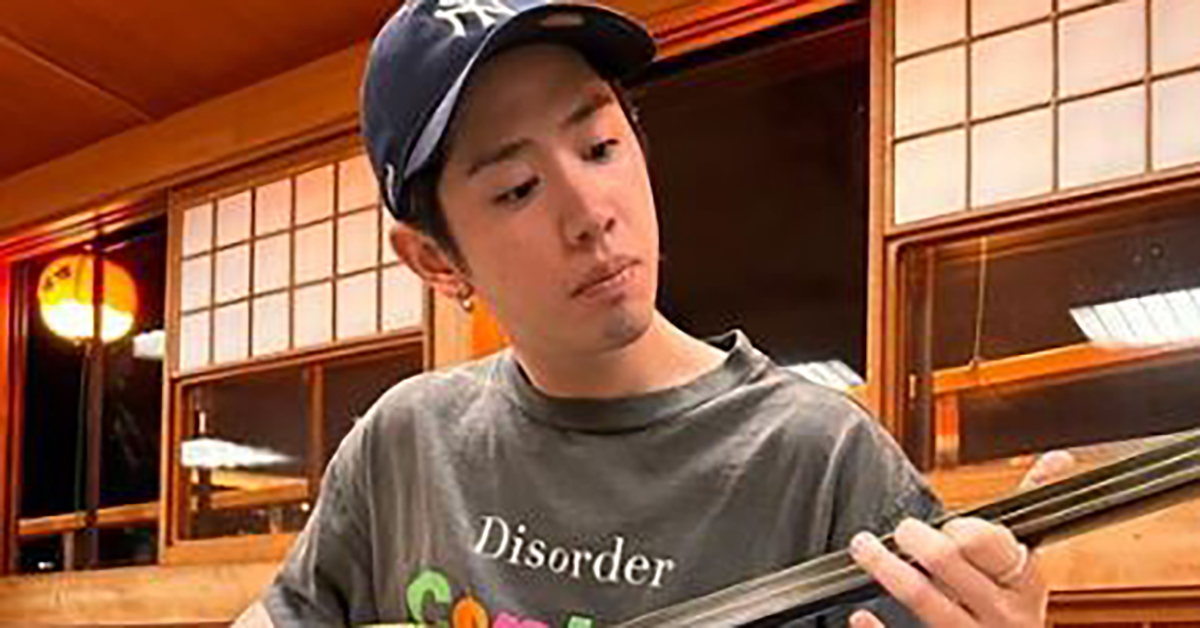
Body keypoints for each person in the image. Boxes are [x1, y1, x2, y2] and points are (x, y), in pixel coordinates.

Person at [237, 0, 1054, 625]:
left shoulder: (820, 458)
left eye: (599, 147)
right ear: (435, 259)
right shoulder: (406, 441)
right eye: (517, 188)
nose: (590, 212)